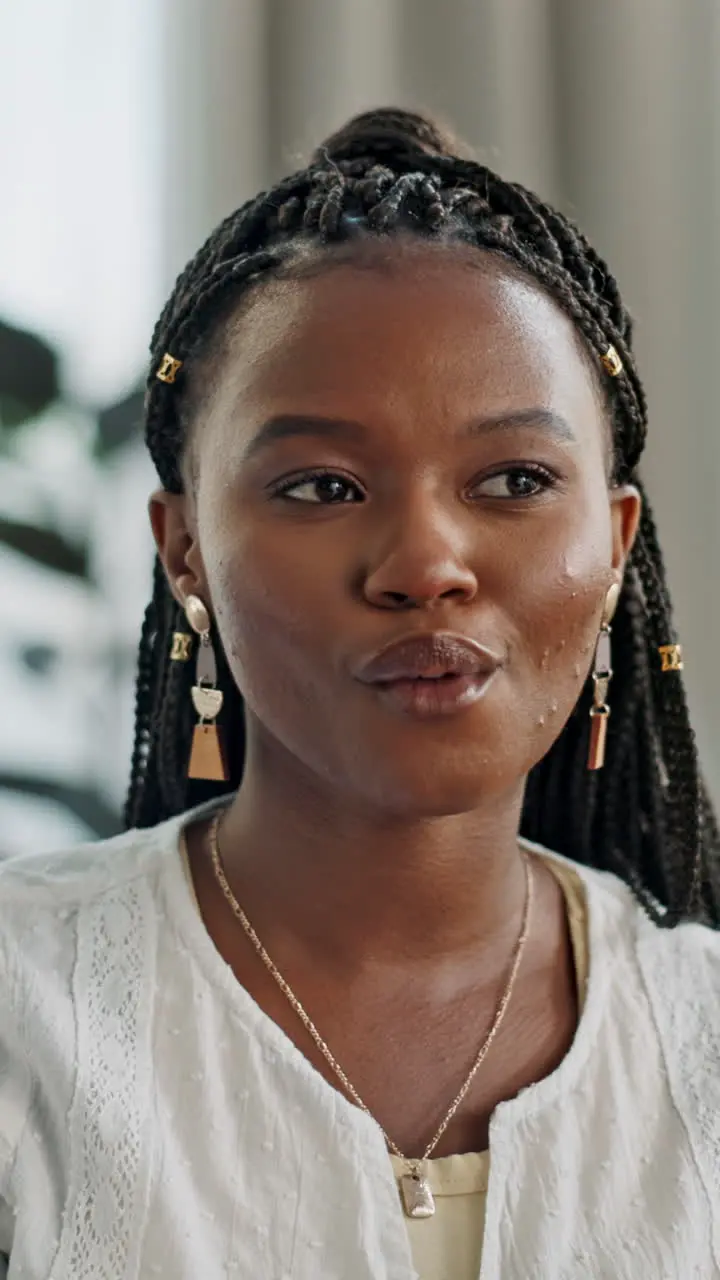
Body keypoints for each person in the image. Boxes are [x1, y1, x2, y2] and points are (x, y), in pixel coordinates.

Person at [1, 107, 719, 1280]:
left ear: (617, 541)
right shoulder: (20, 1014)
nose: (426, 562)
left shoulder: (704, 1044)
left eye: (515, 478)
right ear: (184, 547)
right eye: (324, 484)